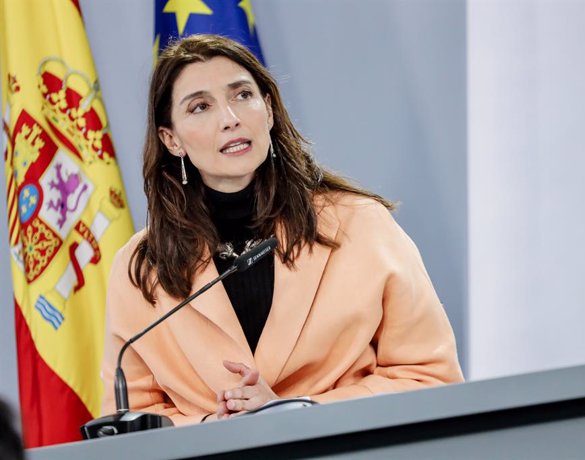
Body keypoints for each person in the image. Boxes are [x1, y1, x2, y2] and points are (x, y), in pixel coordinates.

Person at [101, 34, 463, 424]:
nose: (230, 118)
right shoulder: (142, 268)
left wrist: (296, 411)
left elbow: (430, 379)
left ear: (269, 111)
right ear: (171, 140)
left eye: (242, 95)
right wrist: (212, 427)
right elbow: (132, 421)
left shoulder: (361, 225)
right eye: (201, 106)